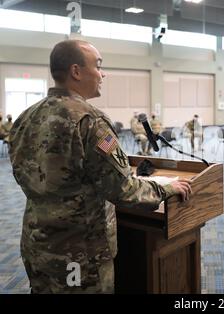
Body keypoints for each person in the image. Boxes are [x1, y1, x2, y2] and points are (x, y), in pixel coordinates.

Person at [8, 40, 192, 294]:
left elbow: (21, 174)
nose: (103, 73)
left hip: (37, 244)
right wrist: (166, 189)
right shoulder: (90, 121)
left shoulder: (25, 117)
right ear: (76, 71)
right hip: (80, 253)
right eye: (98, 66)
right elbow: (122, 190)